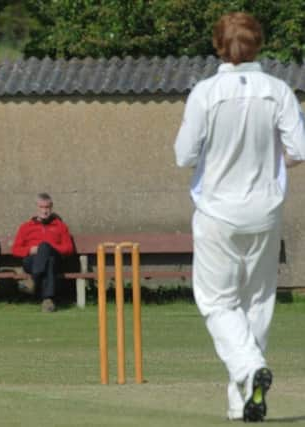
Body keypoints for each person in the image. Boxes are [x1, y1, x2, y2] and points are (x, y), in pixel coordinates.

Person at [174, 12, 305, 422]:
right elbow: (299, 151)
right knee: (258, 301)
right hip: (265, 211)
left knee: (217, 302)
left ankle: (249, 371)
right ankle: (241, 400)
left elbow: (183, 155)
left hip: (217, 211)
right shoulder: (278, 90)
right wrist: (269, 167)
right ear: (259, 44)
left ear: (217, 45)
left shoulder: (206, 93)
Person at [11, 193, 74, 312]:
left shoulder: (60, 226)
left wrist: (49, 248)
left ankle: (33, 281)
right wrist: (30, 250)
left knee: (47, 251)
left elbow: (69, 249)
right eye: (41, 207)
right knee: (47, 259)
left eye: (47, 207)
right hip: (31, 261)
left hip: (55, 259)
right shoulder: (26, 227)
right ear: (36, 208)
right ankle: (48, 300)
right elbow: (15, 250)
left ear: (51, 208)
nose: (45, 211)